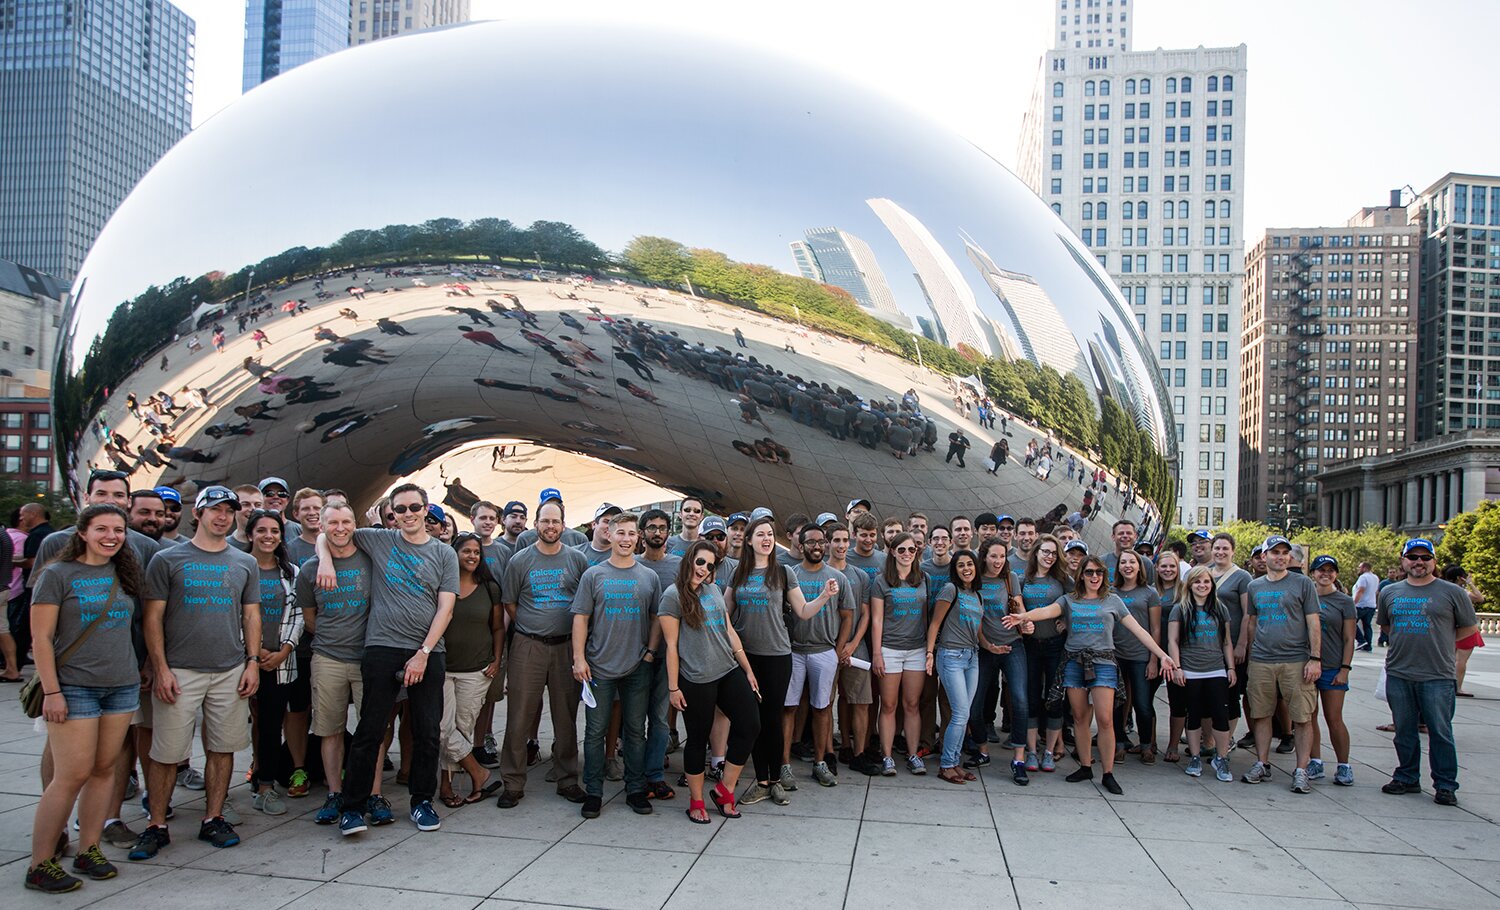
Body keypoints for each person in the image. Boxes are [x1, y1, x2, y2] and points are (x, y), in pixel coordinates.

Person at [317, 482, 459, 835]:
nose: (408, 514)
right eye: (400, 509)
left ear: (426, 510)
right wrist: (324, 560)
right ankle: (353, 807)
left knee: (427, 731)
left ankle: (421, 801)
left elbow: (446, 609)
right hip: (382, 647)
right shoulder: (379, 540)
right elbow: (331, 534)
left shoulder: (444, 554)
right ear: (391, 514)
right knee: (370, 729)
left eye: (414, 507)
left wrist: (423, 654)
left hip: (428, 651)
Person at [131, 486, 261, 860]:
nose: (222, 516)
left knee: (222, 748)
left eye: (228, 510)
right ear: (198, 514)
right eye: (214, 509)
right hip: (180, 670)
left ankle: (213, 817)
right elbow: (152, 618)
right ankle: (156, 823)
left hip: (228, 669)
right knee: (167, 752)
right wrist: (160, 667)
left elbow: (250, 614)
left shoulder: (244, 562)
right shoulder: (168, 559)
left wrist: (252, 661)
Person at [24, 505, 142, 893]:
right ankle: (40, 863)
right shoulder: (57, 574)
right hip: (75, 687)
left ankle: (89, 849)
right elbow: (40, 639)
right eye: (102, 529)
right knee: (70, 775)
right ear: (83, 532)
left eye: (118, 530)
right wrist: (52, 691)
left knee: (104, 769)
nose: (111, 536)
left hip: (121, 686)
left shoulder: (123, 572)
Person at [1002, 555, 1177, 795]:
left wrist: (1161, 654)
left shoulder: (1112, 601)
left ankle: (1108, 773)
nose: (1094, 577)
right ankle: (1085, 767)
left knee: (1105, 720)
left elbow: (1139, 630)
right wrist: (1023, 617)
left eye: (1099, 573)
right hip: (1074, 662)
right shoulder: (1069, 600)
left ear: (1105, 576)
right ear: (1081, 576)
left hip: (1103, 662)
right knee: (1080, 718)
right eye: (1089, 572)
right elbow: (1046, 611)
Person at [726, 516, 838, 805]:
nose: (766, 538)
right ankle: (762, 780)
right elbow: (723, 613)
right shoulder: (738, 573)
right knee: (752, 721)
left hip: (777, 655)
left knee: (772, 719)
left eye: (770, 534)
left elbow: (802, 610)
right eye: (760, 534)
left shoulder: (783, 572)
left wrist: (825, 595)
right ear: (749, 540)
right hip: (745, 657)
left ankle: (773, 780)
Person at [497, 495, 590, 808]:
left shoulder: (577, 560)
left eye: (556, 521)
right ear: (535, 524)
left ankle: (567, 779)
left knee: (566, 717)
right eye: (545, 520)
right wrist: (531, 624)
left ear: (564, 525)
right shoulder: (520, 560)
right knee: (519, 715)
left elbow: (584, 603)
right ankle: (512, 781)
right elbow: (509, 602)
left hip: (565, 646)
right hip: (529, 645)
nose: (550, 526)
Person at [295, 501, 382, 826]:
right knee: (329, 729)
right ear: (323, 525)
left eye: (347, 522)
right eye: (334, 523)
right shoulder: (310, 571)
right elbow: (309, 619)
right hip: (328, 657)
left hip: (368, 657)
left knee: (371, 731)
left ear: (354, 524)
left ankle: (372, 793)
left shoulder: (370, 560)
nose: (341, 528)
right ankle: (335, 792)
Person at [660, 541, 760, 822]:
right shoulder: (673, 596)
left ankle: (724, 790)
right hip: (696, 678)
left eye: (710, 565)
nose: (704, 569)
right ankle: (696, 801)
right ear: (690, 560)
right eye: (700, 562)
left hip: (727, 670)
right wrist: (673, 687)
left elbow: (728, 631)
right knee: (697, 740)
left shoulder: (714, 590)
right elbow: (670, 646)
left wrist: (748, 670)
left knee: (750, 725)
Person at [571, 512, 662, 818]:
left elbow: (655, 618)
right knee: (595, 732)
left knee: (636, 731)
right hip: (598, 666)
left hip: (637, 666)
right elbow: (581, 618)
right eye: (620, 533)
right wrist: (579, 658)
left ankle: (635, 789)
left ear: (638, 538)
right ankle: (593, 791)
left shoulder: (648, 577)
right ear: (608, 535)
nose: (626, 539)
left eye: (631, 534)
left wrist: (650, 652)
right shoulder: (594, 575)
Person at [1377, 538, 1478, 807]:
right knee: (1404, 731)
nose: (1418, 562)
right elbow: (1386, 626)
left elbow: (1468, 628)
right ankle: (1407, 776)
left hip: (1438, 675)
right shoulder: (1390, 592)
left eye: (1425, 557)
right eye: (1413, 557)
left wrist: (1439, 641)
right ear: (1403, 561)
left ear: (1434, 561)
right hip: (1399, 672)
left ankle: (1445, 785)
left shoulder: (1451, 592)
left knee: (1440, 732)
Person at [1240, 535, 1322, 793]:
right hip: (1262, 660)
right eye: (1274, 552)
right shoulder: (1255, 586)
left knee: (1302, 717)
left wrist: (1315, 658)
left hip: (1296, 660)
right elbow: (1252, 622)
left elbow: (1313, 622)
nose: (1280, 556)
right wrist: (1251, 654)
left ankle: (1301, 769)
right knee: (1261, 713)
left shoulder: (1303, 584)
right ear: (1263, 557)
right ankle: (1262, 763)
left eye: (1284, 552)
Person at [929, 549, 1008, 785]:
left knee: (964, 714)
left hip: (972, 657)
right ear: (955, 569)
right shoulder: (950, 590)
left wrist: (990, 647)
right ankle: (946, 765)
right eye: (961, 565)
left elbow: (978, 631)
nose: (966, 569)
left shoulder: (978, 595)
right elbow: (935, 624)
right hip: (950, 655)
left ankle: (954, 763)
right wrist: (929, 654)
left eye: (970, 565)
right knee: (961, 713)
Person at [246, 511, 305, 817]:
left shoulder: (291, 572)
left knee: (271, 724)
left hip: (279, 661)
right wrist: (251, 655)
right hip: (243, 662)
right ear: (249, 534)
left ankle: (265, 786)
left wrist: (284, 650)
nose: (268, 536)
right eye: (261, 530)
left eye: (274, 531)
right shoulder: (239, 567)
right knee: (231, 728)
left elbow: (296, 615)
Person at [438, 533, 503, 807]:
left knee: (462, 729)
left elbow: (498, 627)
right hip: (441, 668)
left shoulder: (490, 587)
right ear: (455, 553)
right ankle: (478, 772)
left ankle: (446, 786)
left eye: (477, 552)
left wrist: (497, 660)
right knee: (442, 728)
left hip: (476, 670)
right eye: (467, 551)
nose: (472, 556)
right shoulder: (443, 584)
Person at [785, 523, 851, 788]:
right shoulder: (790, 574)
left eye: (820, 542)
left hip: (824, 651)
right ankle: (784, 765)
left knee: (822, 707)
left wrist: (838, 649)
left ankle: (820, 762)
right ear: (801, 546)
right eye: (810, 542)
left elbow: (848, 616)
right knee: (788, 707)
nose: (817, 546)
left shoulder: (838, 577)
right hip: (793, 651)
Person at [1166, 566, 1236, 782]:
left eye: (1206, 581)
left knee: (1220, 715)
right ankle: (1195, 756)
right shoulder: (1180, 609)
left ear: (1211, 584)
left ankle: (1221, 757)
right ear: (1189, 585)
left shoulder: (1220, 608)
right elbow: (1173, 641)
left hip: (1215, 668)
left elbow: (1226, 642)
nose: (1202, 585)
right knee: (1194, 714)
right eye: (1197, 582)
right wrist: (1177, 667)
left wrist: (1230, 667)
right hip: (1190, 669)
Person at [965, 540, 1027, 780]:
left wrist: (1025, 621)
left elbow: (1019, 607)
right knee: (975, 704)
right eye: (993, 556)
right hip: (985, 648)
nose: (998, 561)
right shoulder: (975, 578)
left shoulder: (1010, 578)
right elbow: (973, 616)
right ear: (984, 556)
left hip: (1013, 646)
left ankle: (1019, 759)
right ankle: (982, 750)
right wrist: (987, 644)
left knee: (1020, 700)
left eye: (1002, 556)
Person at [871, 532, 929, 777]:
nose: (907, 554)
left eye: (911, 550)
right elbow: (876, 619)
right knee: (889, 704)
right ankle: (887, 756)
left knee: (912, 704)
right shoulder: (881, 581)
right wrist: (877, 653)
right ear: (892, 551)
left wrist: (929, 650)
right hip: (890, 649)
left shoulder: (922, 578)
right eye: (902, 549)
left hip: (916, 649)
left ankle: (913, 754)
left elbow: (927, 616)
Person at [1018, 534, 1069, 773]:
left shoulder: (1062, 580)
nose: (1049, 556)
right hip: (1030, 646)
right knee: (1030, 698)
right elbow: (1014, 608)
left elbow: (1080, 602)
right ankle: (1030, 750)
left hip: (1055, 645)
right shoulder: (1023, 580)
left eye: (1053, 553)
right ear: (1036, 552)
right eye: (1045, 551)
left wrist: (1067, 622)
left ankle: (1048, 751)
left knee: (1054, 698)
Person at [1308, 555, 1356, 787]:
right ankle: (1315, 760)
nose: (1325, 574)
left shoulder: (1344, 602)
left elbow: (1349, 638)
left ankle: (1343, 765)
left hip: (1333, 666)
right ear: (1312, 573)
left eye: (1330, 570)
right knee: (1308, 717)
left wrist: (1345, 668)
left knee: (1334, 717)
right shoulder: (1306, 596)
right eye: (1320, 570)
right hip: (1307, 665)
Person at [1111, 550, 1162, 764]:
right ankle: (1120, 742)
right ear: (1118, 567)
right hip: (1115, 655)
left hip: (1141, 656)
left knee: (1142, 703)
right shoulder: (1111, 592)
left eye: (1132, 562)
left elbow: (1156, 629)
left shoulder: (1150, 593)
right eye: (1123, 562)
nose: (1128, 566)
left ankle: (1146, 744)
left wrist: (1154, 659)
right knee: (1117, 703)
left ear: (1140, 566)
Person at [1442, 564, 1487, 697]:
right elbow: (1480, 598)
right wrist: (1470, 584)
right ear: (1460, 577)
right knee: (1461, 660)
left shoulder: (1443, 589)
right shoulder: (1461, 592)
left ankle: (1449, 685)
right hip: (1465, 628)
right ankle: (1458, 687)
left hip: (1450, 629)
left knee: (1450, 659)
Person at [1351, 561, 1379, 652]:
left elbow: (1360, 590)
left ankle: (1361, 640)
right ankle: (1368, 645)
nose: (1358, 569)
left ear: (1364, 568)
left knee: (1351, 622)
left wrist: (1353, 603)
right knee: (1367, 625)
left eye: (1359, 567)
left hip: (1361, 604)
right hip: (1371, 604)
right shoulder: (1375, 577)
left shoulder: (1363, 577)